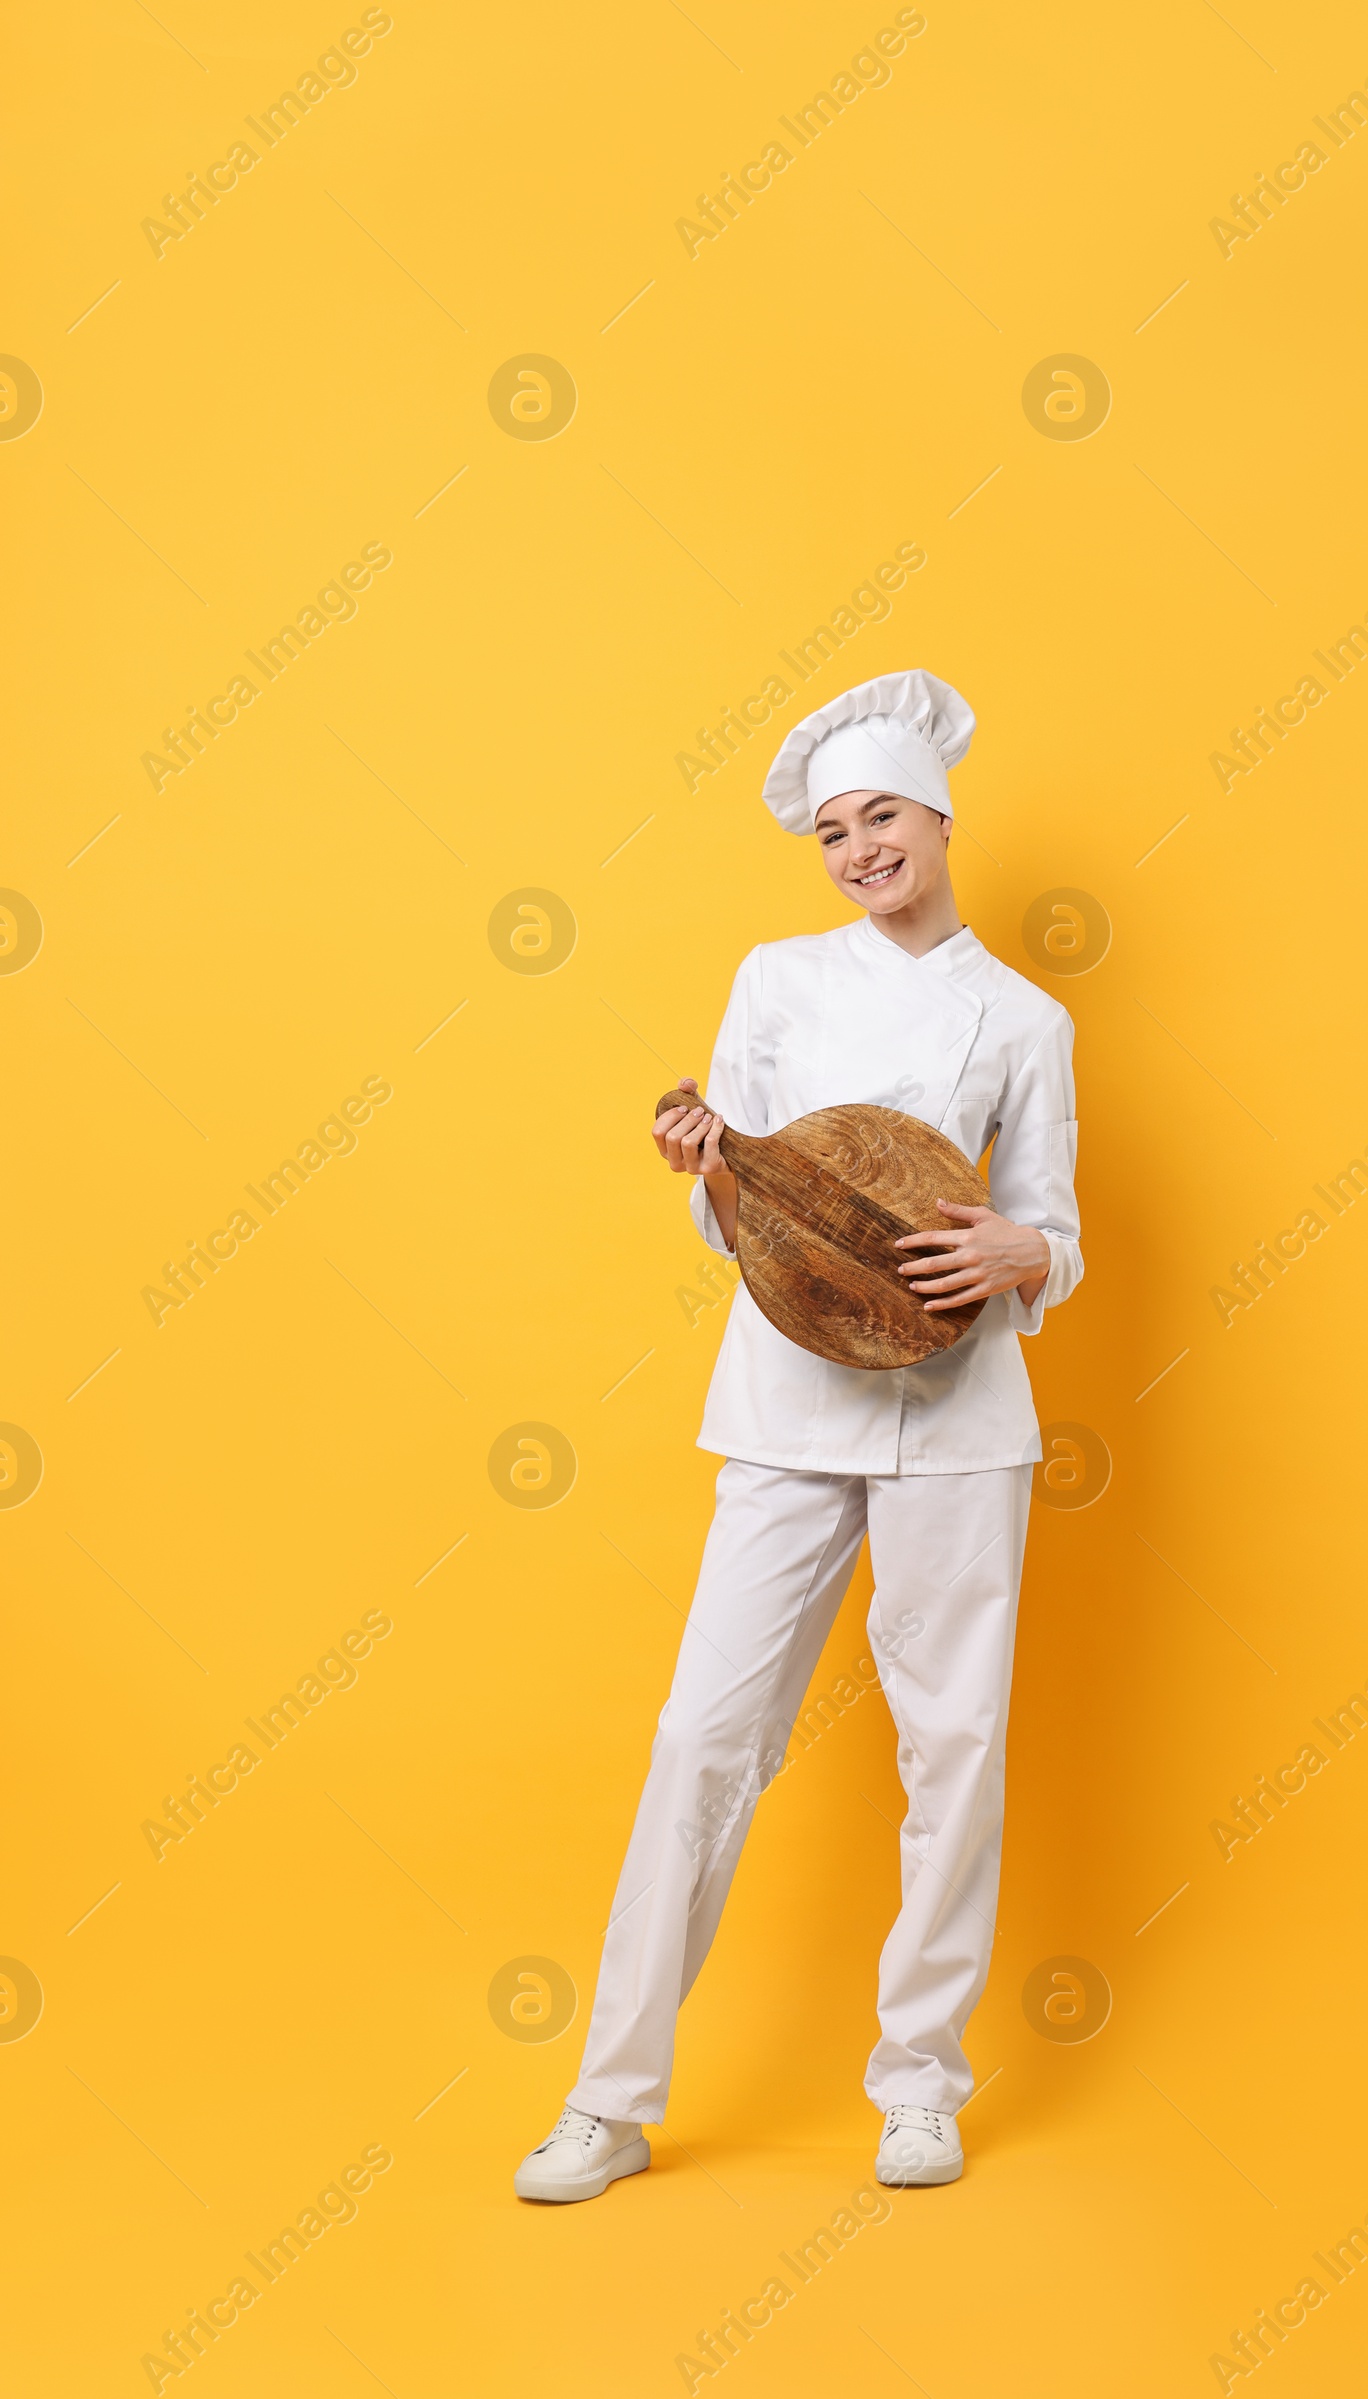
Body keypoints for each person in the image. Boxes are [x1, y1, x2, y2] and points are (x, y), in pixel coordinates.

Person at [515, 669, 1083, 2203]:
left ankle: (921, 2083)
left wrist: (1023, 1257)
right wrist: (703, 1165)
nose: (856, 849)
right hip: (788, 1407)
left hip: (965, 1424)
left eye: (880, 816)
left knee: (951, 1748)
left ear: (938, 818)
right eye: (833, 831)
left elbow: (1057, 1231)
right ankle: (612, 2098)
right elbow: (751, 1221)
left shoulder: (1028, 1021)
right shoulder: (775, 980)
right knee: (707, 1734)